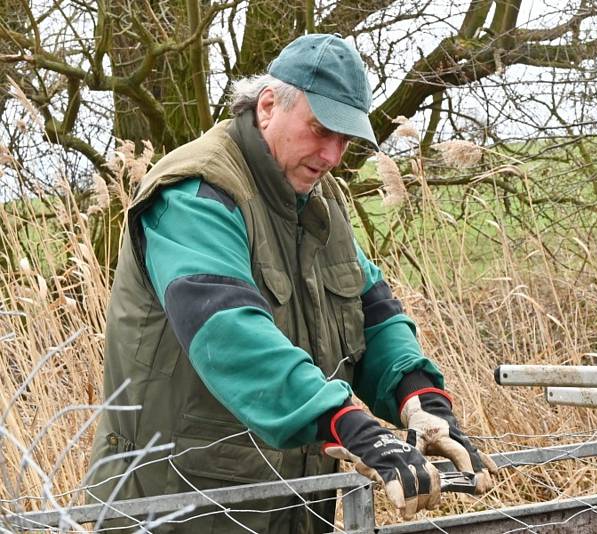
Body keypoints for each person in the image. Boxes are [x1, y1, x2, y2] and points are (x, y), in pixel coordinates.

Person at [87, 33, 497, 533]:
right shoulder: (197, 193)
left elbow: (372, 310)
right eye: (320, 129)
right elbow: (227, 331)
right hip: (179, 506)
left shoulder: (318, 202)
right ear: (267, 107)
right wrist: (346, 421)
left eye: (344, 140)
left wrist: (421, 400)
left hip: (292, 504)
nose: (330, 155)